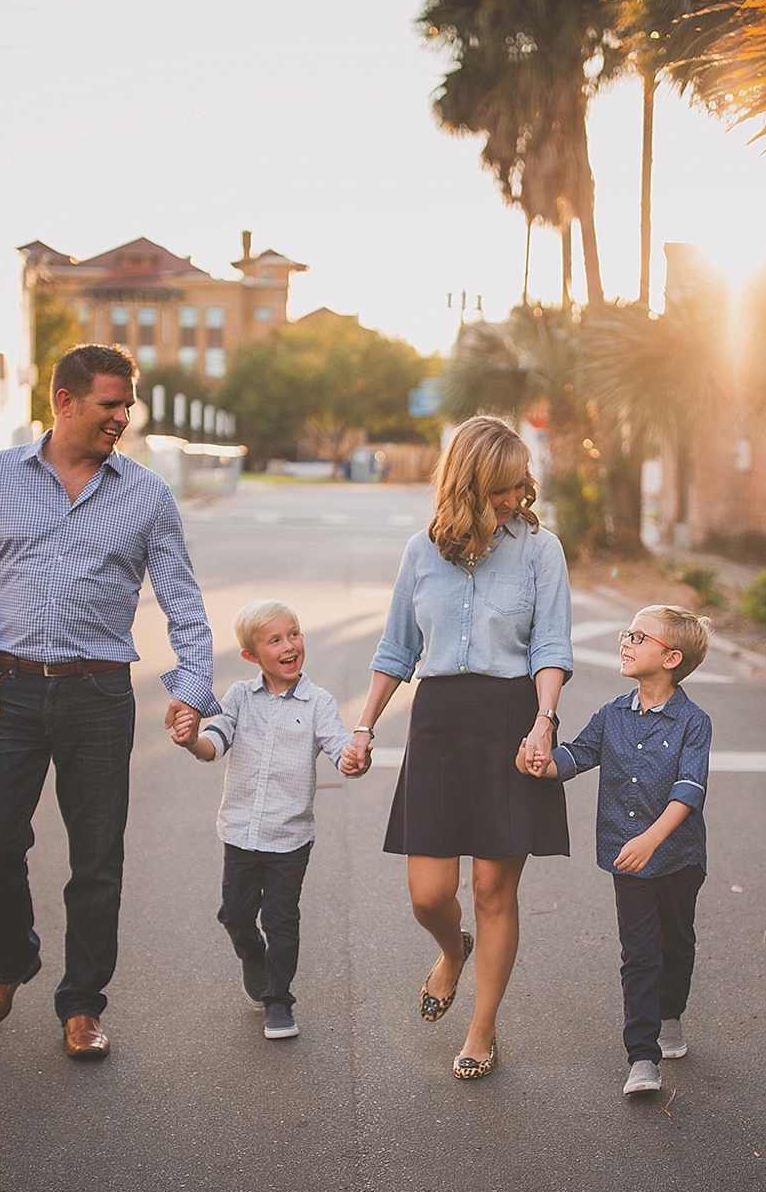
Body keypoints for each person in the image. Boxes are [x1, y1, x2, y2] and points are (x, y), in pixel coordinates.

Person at [0, 343, 219, 1061]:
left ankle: (83, 1004)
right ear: (64, 402)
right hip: (10, 689)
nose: (122, 417)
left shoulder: (147, 494)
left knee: (96, 858)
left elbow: (183, 601)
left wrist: (191, 687)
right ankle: (10, 960)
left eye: (128, 405)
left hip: (99, 694)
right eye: (109, 404)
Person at [344, 414, 572, 1079]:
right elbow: (396, 649)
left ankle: (482, 1028)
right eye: (501, 486)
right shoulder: (421, 551)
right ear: (469, 483)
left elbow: (551, 645)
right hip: (438, 722)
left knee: (495, 886)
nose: (515, 497)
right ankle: (452, 949)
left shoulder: (539, 550)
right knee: (428, 892)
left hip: (510, 719)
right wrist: (365, 725)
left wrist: (544, 720)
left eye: (519, 484)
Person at [519, 605, 714, 1096]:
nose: (624, 641)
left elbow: (690, 791)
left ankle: (671, 1013)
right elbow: (577, 756)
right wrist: (537, 763)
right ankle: (642, 1057)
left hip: (678, 858)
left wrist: (652, 839)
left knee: (677, 944)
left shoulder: (694, 721)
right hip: (625, 858)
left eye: (637, 636)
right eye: (626, 632)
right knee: (640, 953)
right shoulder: (611, 714)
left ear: (671, 658)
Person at [174, 598, 366, 1040]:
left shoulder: (318, 701)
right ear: (251, 656)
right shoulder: (240, 697)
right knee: (236, 915)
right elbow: (213, 744)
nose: (289, 645)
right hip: (240, 832)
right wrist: (189, 742)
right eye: (275, 640)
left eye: (294, 634)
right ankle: (251, 954)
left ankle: (279, 1001)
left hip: (290, 837)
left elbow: (340, 750)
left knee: (282, 918)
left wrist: (355, 758)